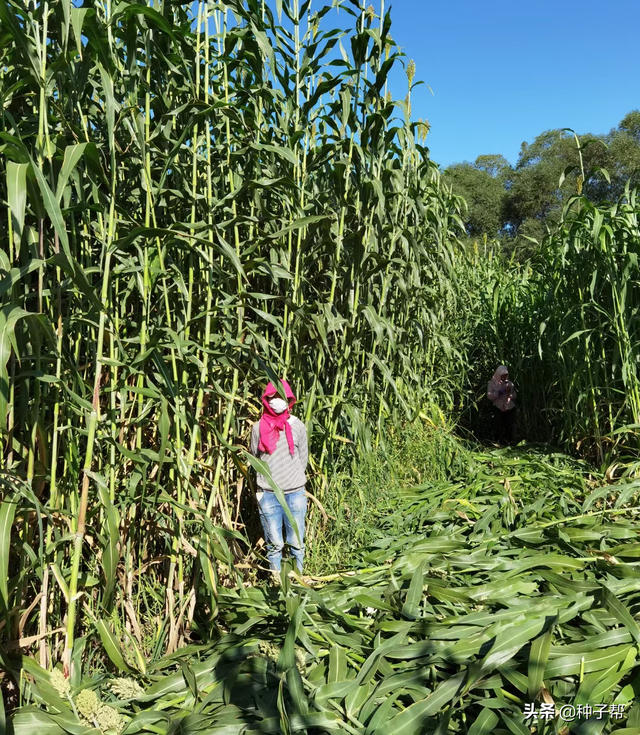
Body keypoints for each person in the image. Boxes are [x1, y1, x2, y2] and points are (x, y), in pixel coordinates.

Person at [250, 379, 308, 575]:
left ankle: (297, 582)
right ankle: (277, 585)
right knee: (274, 545)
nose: (277, 400)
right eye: (272, 396)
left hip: (295, 494)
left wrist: (292, 478)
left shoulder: (297, 426)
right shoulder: (258, 428)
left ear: (288, 399)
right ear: (266, 399)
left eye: (281, 396)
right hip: (268, 495)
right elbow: (254, 458)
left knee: (296, 543)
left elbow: (303, 459)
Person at [487, 365, 517, 445]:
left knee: (509, 424)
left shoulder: (509, 383)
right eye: (502, 375)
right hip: (498, 407)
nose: (504, 377)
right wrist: (498, 393)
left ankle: (510, 441)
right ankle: (499, 442)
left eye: (505, 375)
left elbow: (514, 395)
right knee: (498, 425)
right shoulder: (492, 383)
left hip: (509, 407)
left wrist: (509, 391)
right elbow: (489, 395)